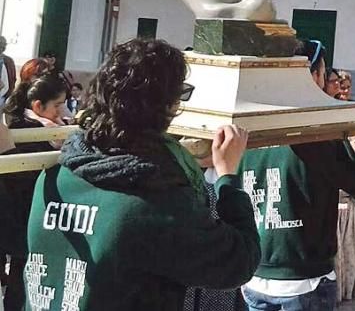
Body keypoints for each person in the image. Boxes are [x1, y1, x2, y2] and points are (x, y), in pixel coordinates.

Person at [25, 38, 261, 310]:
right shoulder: (154, 206)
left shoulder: (53, 179)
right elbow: (239, 261)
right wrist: (227, 177)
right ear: (168, 107)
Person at [238, 39, 355, 311]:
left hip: (256, 272)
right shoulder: (317, 134)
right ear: (311, 76)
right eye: (324, 74)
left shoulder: (249, 123)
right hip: (303, 277)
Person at [3, 76, 68, 310]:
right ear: (38, 106)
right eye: (58, 105)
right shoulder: (34, 131)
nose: (63, 111)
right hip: (23, 214)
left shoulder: (25, 124)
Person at [0, 35, 16, 106]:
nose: (2, 47)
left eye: (4, 44)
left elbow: (13, 78)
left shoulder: (9, 61)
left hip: (3, 97)